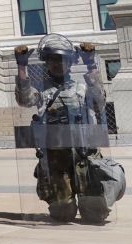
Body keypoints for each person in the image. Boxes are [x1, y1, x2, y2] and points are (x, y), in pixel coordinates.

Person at [14, 35, 124, 223]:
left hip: (84, 156)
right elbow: (24, 99)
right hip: (56, 159)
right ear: (46, 63)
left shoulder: (82, 88)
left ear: (71, 63)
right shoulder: (43, 93)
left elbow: (98, 103)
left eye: (62, 60)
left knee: (95, 214)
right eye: (52, 60)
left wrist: (91, 64)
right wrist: (22, 66)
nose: (57, 64)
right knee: (62, 213)